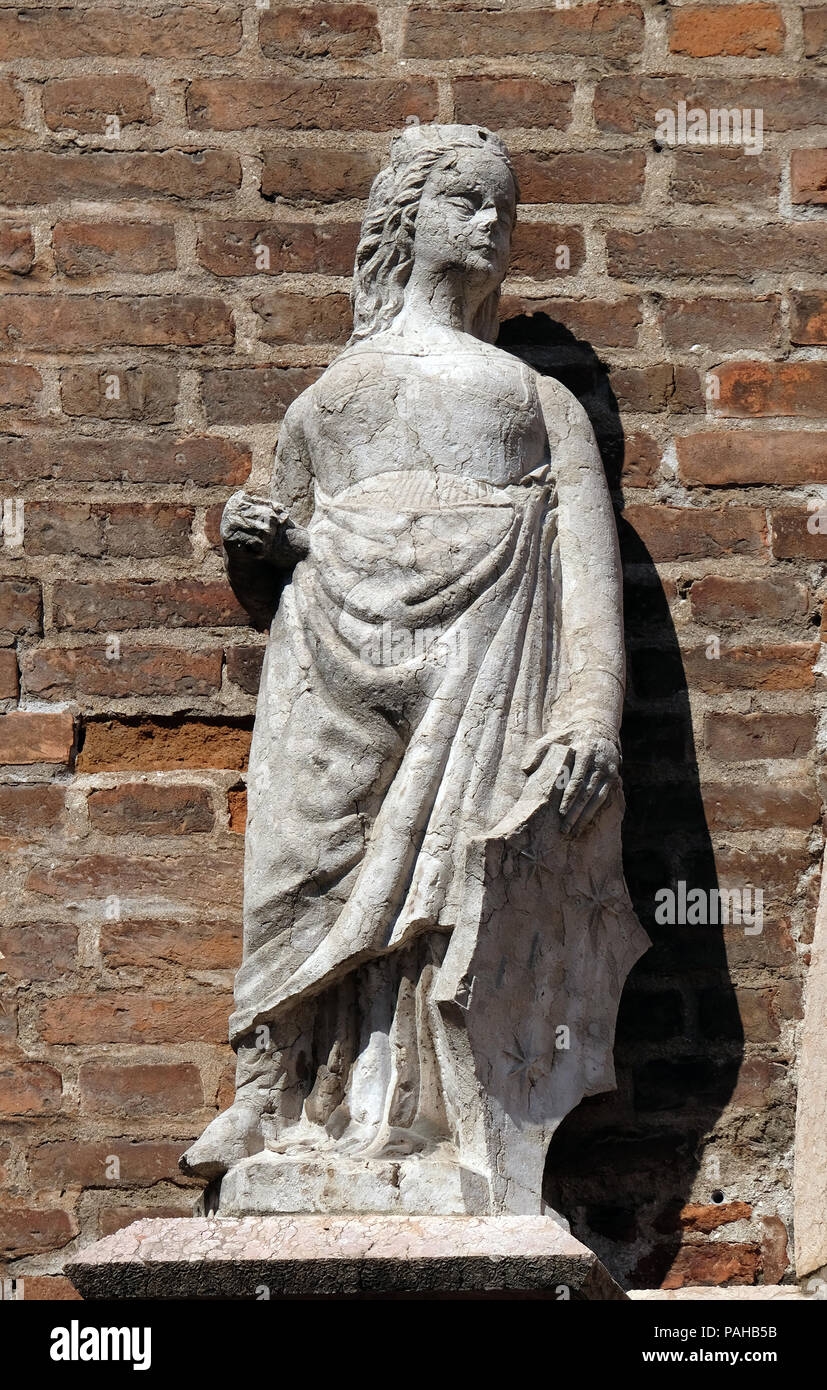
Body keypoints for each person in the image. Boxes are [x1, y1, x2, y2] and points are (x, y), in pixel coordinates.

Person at [181, 124, 648, 1214]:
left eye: (505, 212)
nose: (493, 228)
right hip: (330, 657)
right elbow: (287, 528)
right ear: (405, 215)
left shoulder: (538, 405)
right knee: (298, 863)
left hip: (481, 664)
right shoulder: (326, 402)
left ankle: (435, 1118)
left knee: (451, 888)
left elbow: (583, 572)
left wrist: (588, 709)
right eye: (470, 203)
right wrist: (255, 533)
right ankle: (275, 1083)